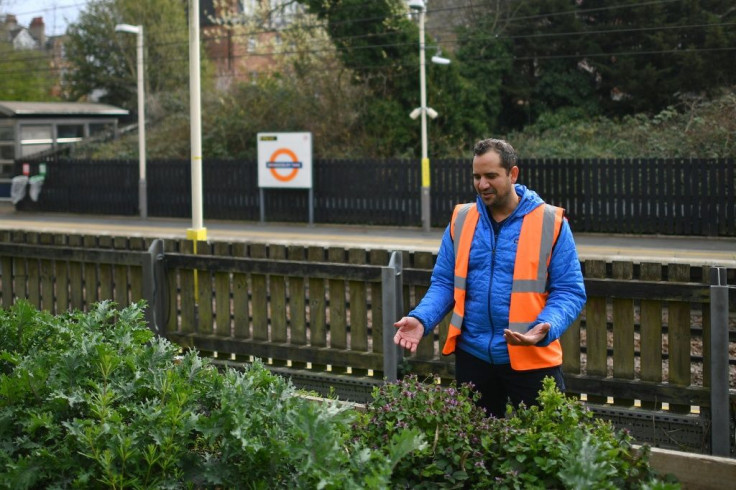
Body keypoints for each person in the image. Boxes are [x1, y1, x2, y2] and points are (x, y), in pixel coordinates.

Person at [393, 138, 586, 418]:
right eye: (477, 176)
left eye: (491, 176)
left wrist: (546, 325)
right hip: (474, 358)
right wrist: (422, 318)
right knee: (476, 453)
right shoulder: (461, 219)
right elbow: (445, 282)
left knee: (545, 451)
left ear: (513, 174)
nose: (482, 184)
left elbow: (569, 291)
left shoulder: (551, 222)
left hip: (532, 358)